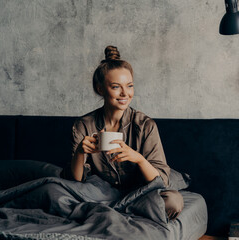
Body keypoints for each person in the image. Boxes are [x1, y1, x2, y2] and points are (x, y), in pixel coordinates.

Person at [62, 46, 183, 220]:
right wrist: (80, 153)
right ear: (100, 89)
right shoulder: (83, 125)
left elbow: (161, 180)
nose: (125, 93)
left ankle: (108, 212)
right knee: (54, 191)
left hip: (139, 192)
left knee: (173, 201)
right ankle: (116, 212)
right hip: (100, 193)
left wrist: (138, 158)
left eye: (130, 86)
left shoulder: (145, 125)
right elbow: (76, 180)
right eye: (116, 87)